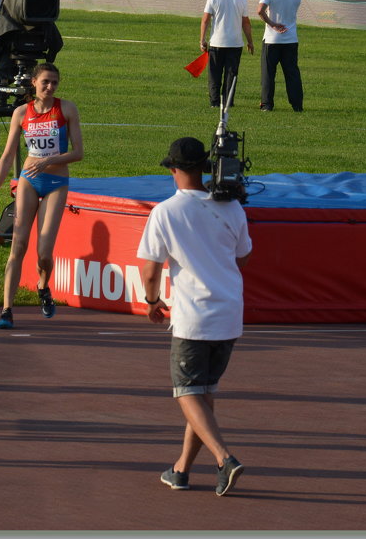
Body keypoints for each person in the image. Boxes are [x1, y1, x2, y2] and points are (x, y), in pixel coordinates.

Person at [137, 137, 252, 497]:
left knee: (186, 392)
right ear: (205, 168)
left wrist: (151, 301)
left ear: (173, 170)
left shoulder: (166, 212)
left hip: (192, 316)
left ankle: (224, 458)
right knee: (203, 395)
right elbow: (243, 256)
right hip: (229, 313)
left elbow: (151, 270)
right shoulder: (232, 208)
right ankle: (181, 470)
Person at [0, 63, 83, 330]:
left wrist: (49, 159)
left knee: (43, 253)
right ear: (33, 82)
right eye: (45, 82)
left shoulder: (66, 109)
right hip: (29, 180)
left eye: (54, 82)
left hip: (56, 182)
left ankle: (43, 285)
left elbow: (79, 153)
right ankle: (6, 309)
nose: (50, 87)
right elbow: (7, 156)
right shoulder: (21, 113)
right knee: (17, 246)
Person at [201, 0, 254, 109]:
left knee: (214, 74)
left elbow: (205, 20)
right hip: (235, 43)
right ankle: (228, 102)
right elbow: (246, 22)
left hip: (217, 42)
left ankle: (214, 102)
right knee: (231, 75)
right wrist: (250, 41)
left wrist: (202, 40)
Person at [257, 0, 304, 113]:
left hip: (272, 39)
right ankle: (297, 105)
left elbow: (260, 11)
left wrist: (272, 24)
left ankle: (267, 104)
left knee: (268, 74)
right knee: (292, 74)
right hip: (290, 39)